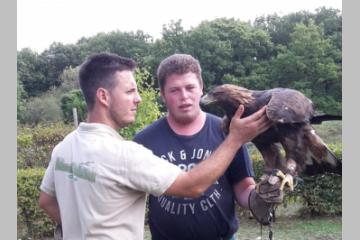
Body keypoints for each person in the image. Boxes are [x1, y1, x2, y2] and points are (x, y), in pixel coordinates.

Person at [38, 52, 273, 240]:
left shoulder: (63, 148)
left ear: (201, 88)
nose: (138, 98)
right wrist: (235, 139)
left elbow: (46, 201)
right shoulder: (126, 153)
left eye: (190, 88)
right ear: (103, 96)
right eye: (130, 91)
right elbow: (191, 186)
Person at [134, 53, 283, 240]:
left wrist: (259, 197)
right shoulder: (144, 140)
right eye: (174, 90)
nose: (184, 96)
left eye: (190, 87)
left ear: (201, 88)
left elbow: (243, 188)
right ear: (163, 94)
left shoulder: (229, 131)